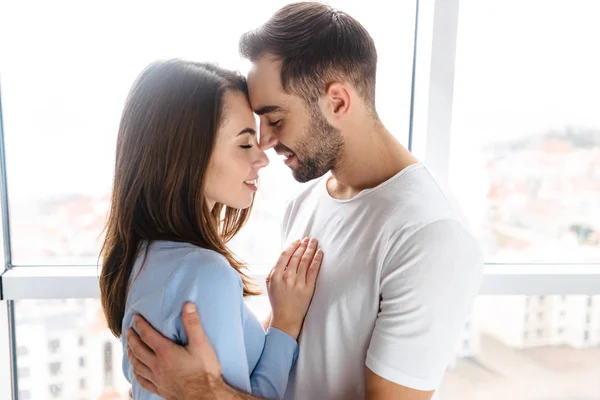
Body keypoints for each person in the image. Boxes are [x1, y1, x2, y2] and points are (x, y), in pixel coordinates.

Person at [126, 2, 484, 399]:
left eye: (275, 119)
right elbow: (296, 356)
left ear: (337, 102)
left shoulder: (431, 236)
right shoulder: (306, 201)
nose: (264, 142)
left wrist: (204, 393)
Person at [99, 59, 324, 400]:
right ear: (189, 154)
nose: (262, 159)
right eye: (245, 144)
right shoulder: (206, 273)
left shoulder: (140, 257)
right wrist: (286, 322)